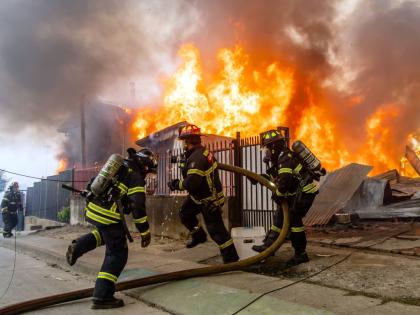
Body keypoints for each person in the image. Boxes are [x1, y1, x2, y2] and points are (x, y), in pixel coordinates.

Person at [65, 148, 157, 309]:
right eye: (148, 172)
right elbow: (138, 207)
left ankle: (78, 246)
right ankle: (102, 296)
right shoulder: (135, 177)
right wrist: (145, 231)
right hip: (107, 215)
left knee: (106, 234)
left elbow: (95, 181)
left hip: (93, 209)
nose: (147, 175)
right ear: (144, 166)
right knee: (117, 254)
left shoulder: (119, 166)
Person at [167, 124, 239, 264]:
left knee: (217, 232)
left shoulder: (197, 158)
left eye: (183, 142)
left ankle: (232, 260)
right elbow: (189, 164)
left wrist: (175, 184)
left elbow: (192, 182)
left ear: (187, 141)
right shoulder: (198, 154)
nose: (183, 145)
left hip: (209, 200)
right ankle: (199, 236)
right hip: (197, 197)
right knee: (185, 213)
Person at [252, 130, 319, 266]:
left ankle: (301, 254)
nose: (267, 152)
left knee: (294, 221)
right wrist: (258, 178)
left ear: (274, 146)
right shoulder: (279, 159)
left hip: (305, 192)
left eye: (267, 148)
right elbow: (278, 179)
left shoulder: (285, 157)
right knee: (279, 217)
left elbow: (284, 182)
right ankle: (268, 246)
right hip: (295, 193)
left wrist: (279, 195)